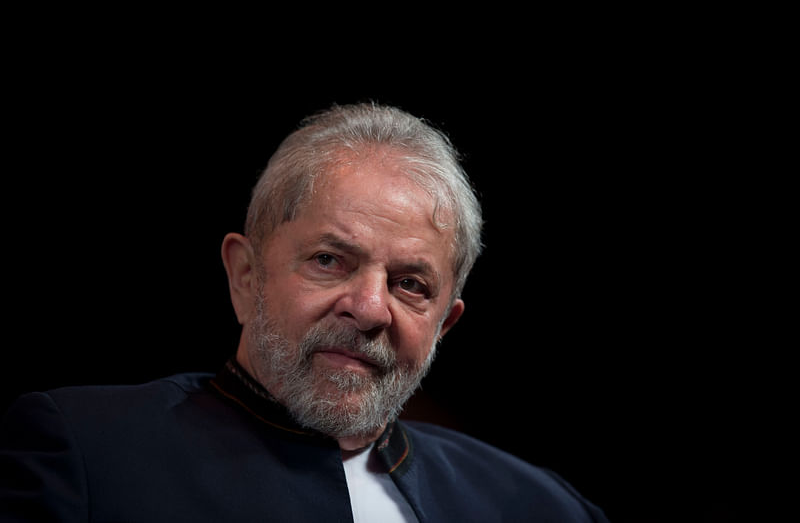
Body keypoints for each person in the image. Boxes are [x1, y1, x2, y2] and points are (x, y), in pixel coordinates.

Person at [0, 103, 608, 522]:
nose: (369, 308)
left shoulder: (539, 506)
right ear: (245, 276)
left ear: (443, 325)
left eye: (410, 283)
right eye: (329, 260)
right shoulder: (86, 453)